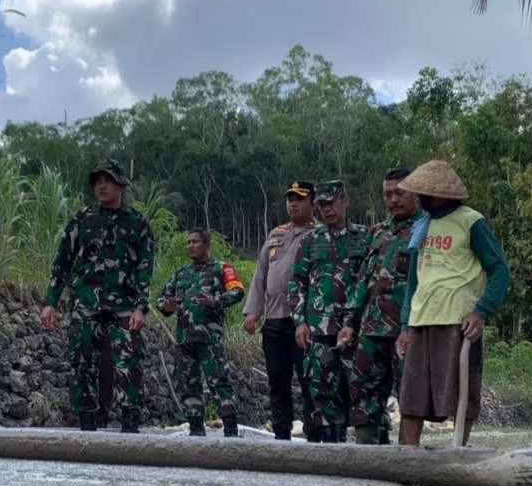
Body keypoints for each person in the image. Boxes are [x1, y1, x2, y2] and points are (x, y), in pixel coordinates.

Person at [395, 160, 510, 447]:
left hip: (457, 320)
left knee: (461, 393)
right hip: (421, 319)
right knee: (412, 396)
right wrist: (405, 326)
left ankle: (457, 451)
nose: (418, 199)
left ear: (441, 194)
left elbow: (499, 269)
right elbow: (414, 280)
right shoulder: (422, 226)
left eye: (423, 194)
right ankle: (409, 460)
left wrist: (481, 311)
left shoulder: (471, 221)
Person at [41, 158, 156, 434]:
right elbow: (63, 261)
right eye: (97, 181)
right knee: (81, 362)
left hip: (124, 305)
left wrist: (141, 308)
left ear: (120, 185)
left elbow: (144, 269)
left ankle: (130, 422)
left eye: (107, 180)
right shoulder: (81, 219)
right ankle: (87, 423)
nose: (101, 185)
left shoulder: (137, 223)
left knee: (129, 362)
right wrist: (50, 301)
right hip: (86, 303)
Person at [337, 168, 420, 444]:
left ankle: (406, 464)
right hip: (371, 328)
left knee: (409, 395)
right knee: (362, 392)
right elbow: (364, 280)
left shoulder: (426, 229)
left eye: (400, 193)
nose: (393, 199)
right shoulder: (378, 232)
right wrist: (350, 322)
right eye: (388, 194)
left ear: (415, 194)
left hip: (406, 330)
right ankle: (369, 457)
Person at [287, 180, 371, 443]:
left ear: (345, 201)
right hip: (319, 330)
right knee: (322, 393)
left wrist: (356, 321)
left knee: (363, 392)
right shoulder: (311, 240)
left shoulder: (365, 238)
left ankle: (371, 451)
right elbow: (296, 282)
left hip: (355, 329)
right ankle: (331, 450)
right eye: (322, 205)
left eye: (332, 203)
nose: (327, 209)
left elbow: (371, 282)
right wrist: (300, 322)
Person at [243, 181, 319, 441]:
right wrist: (253, 310)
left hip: (305, 322)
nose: (293, 203)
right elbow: (261, 273)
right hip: (275, 321)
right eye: (290, 199)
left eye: (299, 198)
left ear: (313, 202)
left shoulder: (318, 234)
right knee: (277, 381)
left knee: (310, 381)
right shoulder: (276, 234)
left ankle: (314, 435)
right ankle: (281, 435)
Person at [157, 228, 245, 438]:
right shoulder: (181, 273)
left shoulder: (221, 268)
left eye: (195, 242)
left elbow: (237, 290)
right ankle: (196, 430)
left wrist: (217, 301)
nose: (190, 246)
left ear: (207, 245)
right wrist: (166, 307)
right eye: (188, 242)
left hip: (210, 339)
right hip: (185, 339)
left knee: (219, 382)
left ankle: (231, 431)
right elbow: (162, 298)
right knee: (188, 384)